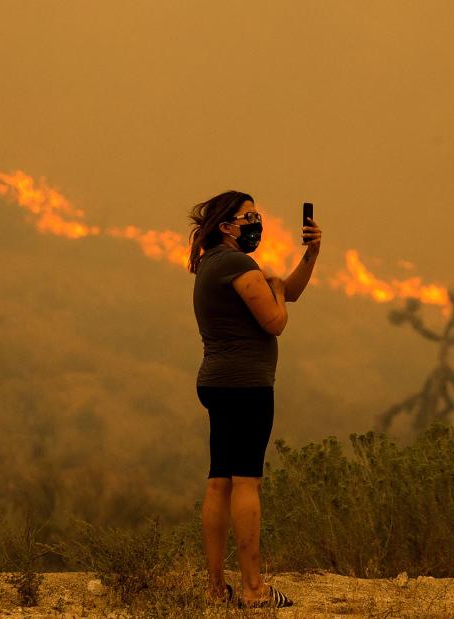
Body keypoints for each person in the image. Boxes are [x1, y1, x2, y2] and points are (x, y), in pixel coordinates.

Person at [187, 190, 322, 608]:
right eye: (248, 216)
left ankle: (214, 590)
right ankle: (253, 589)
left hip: (216, 382)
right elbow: (276, 319)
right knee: (247, 481)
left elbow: (289, 291)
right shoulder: (237, 264)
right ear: (226, 227)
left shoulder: (212, 264)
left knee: (219, 481)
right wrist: (277, 290)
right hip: (246, 386)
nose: (256, 222)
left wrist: (311, 253)